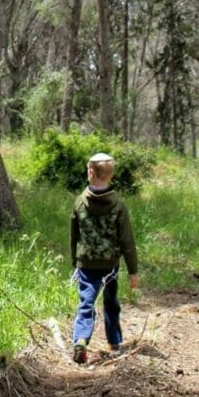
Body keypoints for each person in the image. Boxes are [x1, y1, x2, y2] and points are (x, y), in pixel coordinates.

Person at [70, 152, 140, 364]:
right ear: (111, 175)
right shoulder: (118, 205)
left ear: (91, 172)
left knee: (86, 302)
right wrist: (133, 270)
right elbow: (127, 240)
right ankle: (114, 342)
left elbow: (74, 235)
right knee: (111, 301)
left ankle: (81, 339)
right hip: (110, 264)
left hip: (86, 263)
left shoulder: (80, 202)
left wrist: (75, 262)